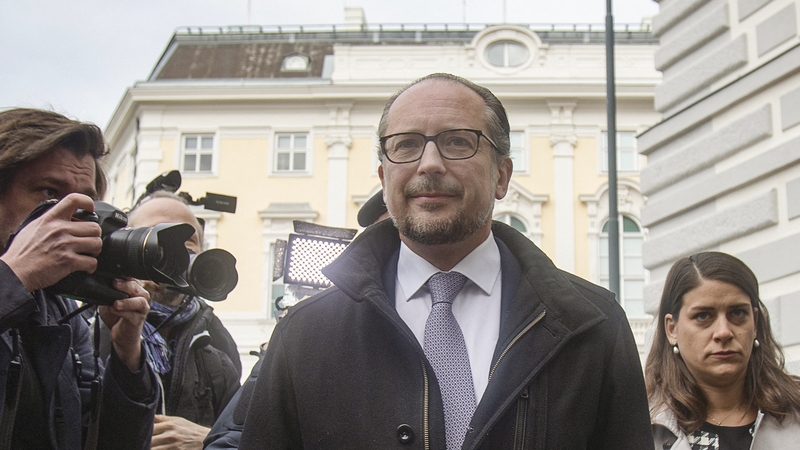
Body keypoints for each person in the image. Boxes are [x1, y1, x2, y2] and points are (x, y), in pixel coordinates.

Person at [239, 73, 652, 449]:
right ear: (384, 181)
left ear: (502, 176)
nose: (430, 164)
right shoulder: (305, 334)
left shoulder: (592, 325)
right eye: (406, 145)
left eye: (458, 141)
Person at [0, 108, 157, 449]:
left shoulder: (59, 310)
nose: (67, 215)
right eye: (47, 192)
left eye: (84, 203)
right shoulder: (20, 288)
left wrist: (126, 355)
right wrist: (13, 278)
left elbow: (107, 443)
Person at [123, 191, 242, 449]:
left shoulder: (219, 351)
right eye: (158, 234)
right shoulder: (86, 329)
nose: (177, 249)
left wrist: (208, 440)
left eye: (189, 240)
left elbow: (243, 435)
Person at [646, 251, 800, 449]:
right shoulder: (641, 426)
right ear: (671, 329)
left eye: (737, 313)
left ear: (755, 324)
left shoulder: (793, 413)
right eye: (703, 316)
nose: (724, 332)